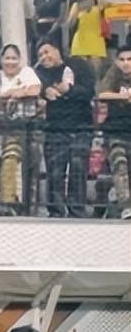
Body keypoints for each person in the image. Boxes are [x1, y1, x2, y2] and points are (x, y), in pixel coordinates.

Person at [37, 41, 95, 219]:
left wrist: (68, 89)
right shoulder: (39, 72)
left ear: (57, 50)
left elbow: (89, 91)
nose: (44, 57)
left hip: (81, 126)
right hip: (55, 128)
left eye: (46, 52)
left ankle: (77, 211)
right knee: (55, 170)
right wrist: (45, 91)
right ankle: (56, 211)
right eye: (40, 55)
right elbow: (37, 87)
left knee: (78, 168)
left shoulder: (79, 65)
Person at [0, 44, 42, 213]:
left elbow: (35, 90)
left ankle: (30, 207)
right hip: (4, 130)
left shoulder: (27, 72)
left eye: (14, 58)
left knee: (31, 167)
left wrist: (16, 93)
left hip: (29, 128)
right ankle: (9, 204)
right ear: (1, 60)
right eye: (7, 58)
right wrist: (16, 91)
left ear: (19, 60)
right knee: (9, 160)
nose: (10, 62)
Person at [99, 44, 131, 220]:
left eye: (129, 59)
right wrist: (124, 96)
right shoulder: (113, 75)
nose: (126, 63)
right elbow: (102, 94)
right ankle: (126, 206)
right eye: (122, 59)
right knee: (119, 164)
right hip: (116, 131)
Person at [68, 0, 107, 75]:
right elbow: (70, 24)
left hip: (96, 41)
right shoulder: (77, 5)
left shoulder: (101, 5)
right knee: (80, 73)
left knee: (96, 72)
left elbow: (107, 21)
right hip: (80, 41)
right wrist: (78, 9)